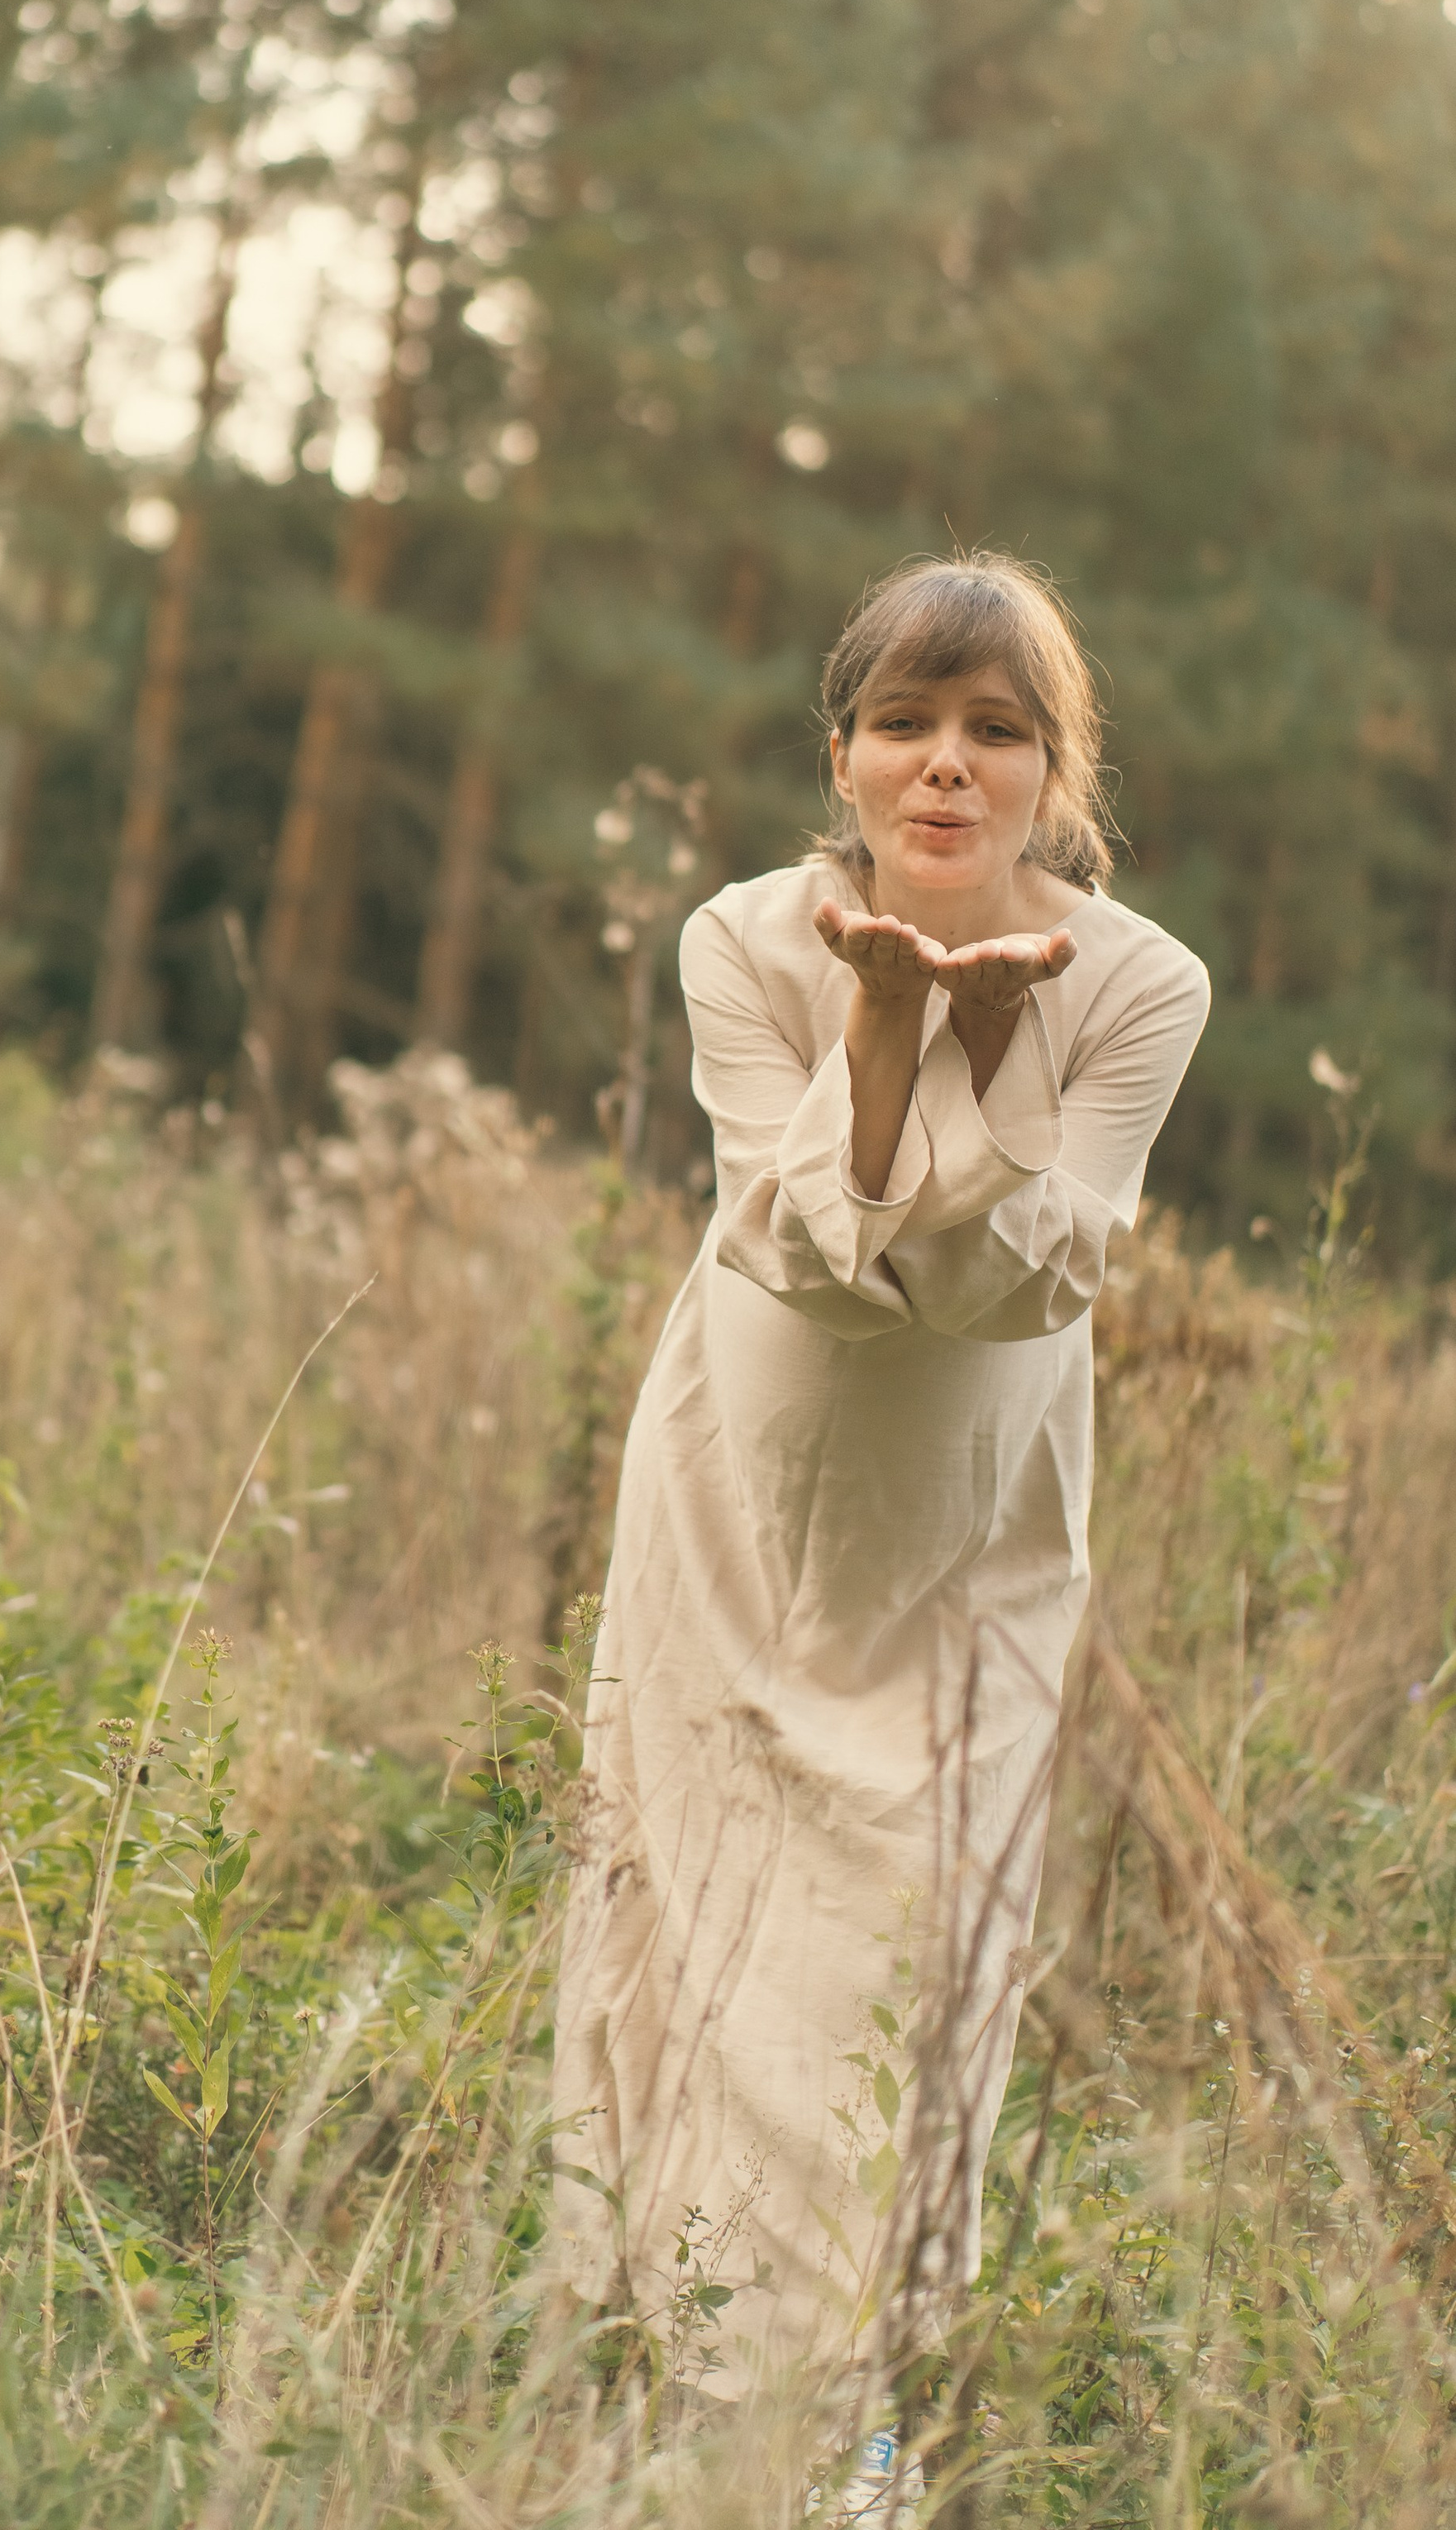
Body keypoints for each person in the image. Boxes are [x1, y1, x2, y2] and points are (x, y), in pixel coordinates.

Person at [553, 551, 1210, 2419]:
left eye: (994, 731)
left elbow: (1025, 1288)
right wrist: (878, 1037)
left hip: (964, 1546)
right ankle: (652, 2379)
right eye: (904, 723)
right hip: (734, 1515)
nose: (946, 764)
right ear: (840, 754)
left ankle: (837, 2418)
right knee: (696, 1922)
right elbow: (799, 1256)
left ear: (1051, 773)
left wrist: (989, 1052)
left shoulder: (1140, 983)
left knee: (907, 1967)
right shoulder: (743, 940)